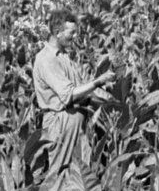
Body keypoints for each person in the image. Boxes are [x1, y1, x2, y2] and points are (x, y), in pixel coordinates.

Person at [32, 10, 111, 180]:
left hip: (74, 123)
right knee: (60, 177)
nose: (75, 36)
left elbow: (81, 86)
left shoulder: (64, 56)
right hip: (60, 124)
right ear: (57, 32)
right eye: (71, 32)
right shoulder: (46, 59)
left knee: (78, 179)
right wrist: (98, 82)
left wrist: (108, 101)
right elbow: (69, 95)